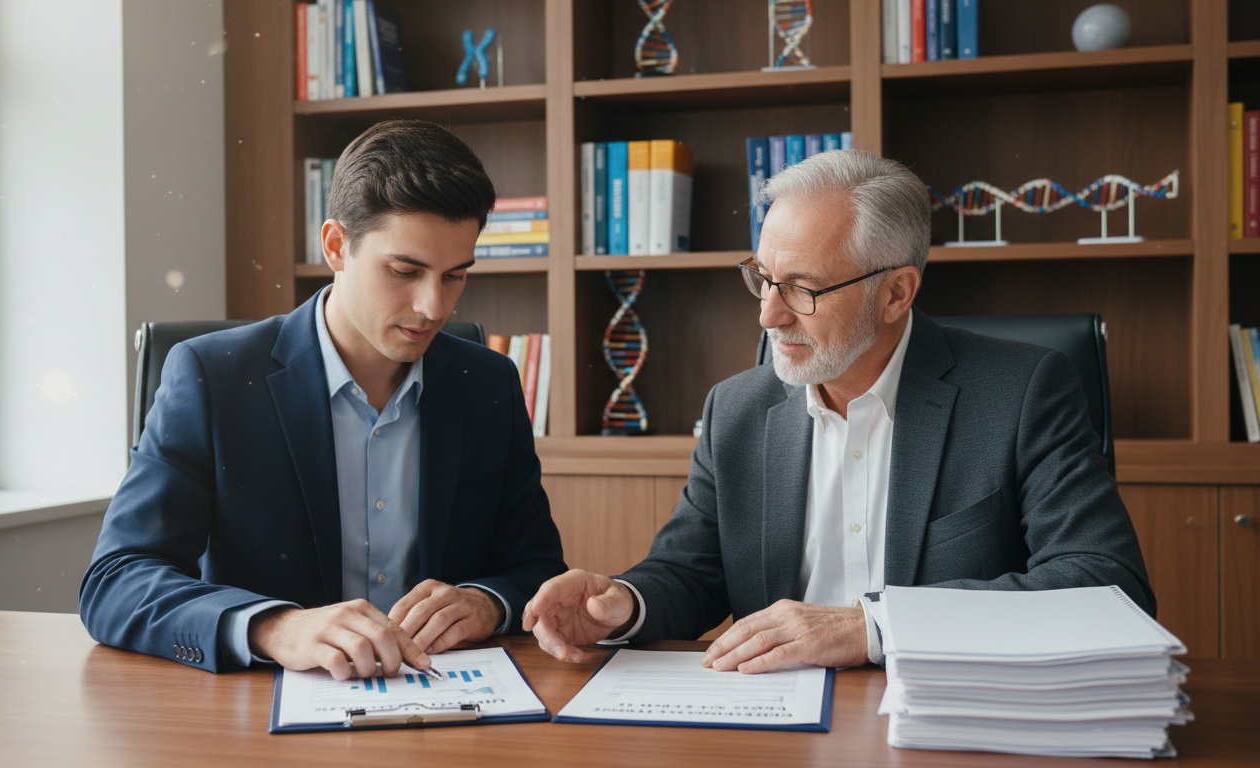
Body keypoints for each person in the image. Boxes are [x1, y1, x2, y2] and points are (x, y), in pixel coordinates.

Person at [522, 150, 1153, 673]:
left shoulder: (1021, 392)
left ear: (895, 293)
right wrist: (624, 604)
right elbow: (693, 570)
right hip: (772, 719)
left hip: (948, 711)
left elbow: (1106, 585)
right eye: (762, 278)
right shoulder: (736, 409)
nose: (769, 314)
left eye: (803, 288)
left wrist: (870, 626)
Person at [81, 119, 566, 679]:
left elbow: (536, 568)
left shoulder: (489, 384)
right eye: (406, 271)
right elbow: (116, 580)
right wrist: (271, 625)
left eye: (456, 275)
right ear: (336, 246)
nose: (434, 306)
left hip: (446, 704)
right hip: (263, 715)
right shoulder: (211, 378)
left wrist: (488, 601)